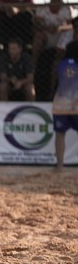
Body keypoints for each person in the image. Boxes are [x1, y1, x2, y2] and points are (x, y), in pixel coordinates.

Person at [52, 41, 78, 171]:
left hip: (61, 103)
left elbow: (54, 82)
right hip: (76, 103)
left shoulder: (59, 64)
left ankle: (60, 165)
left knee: (60, 134)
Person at [31, 0, 72, 65]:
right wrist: (47, 28)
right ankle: (34, 64)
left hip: (60, 35)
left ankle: (58, 65)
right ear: (51, 0)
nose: (56, 3)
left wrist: (59, 28)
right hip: (46, 34)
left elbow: (70, 25)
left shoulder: (66, 9)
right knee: (38, 37)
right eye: (54, 0)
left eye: (59, 1)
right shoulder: (43, 8)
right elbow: (36, 23)